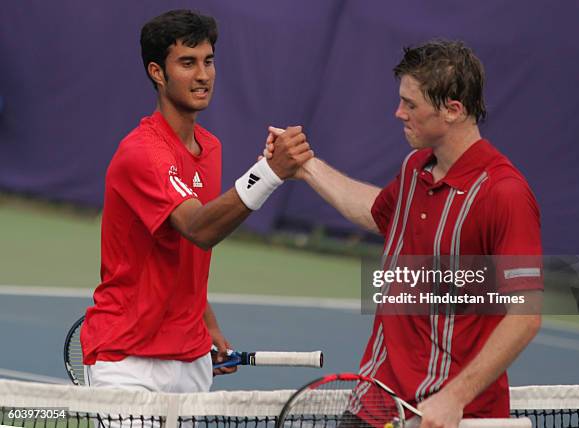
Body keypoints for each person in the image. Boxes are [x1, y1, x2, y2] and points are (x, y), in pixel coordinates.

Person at [266, 40, 542, 427]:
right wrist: (305, 167)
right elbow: (376, 211)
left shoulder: (504, 192)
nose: (398, 113)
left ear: (453, 109)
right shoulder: (415, 168)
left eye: (410, 104)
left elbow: (525, 316)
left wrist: (454, 398)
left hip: (448, 416)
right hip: (375, 404)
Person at [80, 9, 312, 394]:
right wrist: (268, 173)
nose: (203, 75)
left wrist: (205, 321)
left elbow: (185, 250)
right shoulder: (141, 152)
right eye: (187, 63)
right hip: (127, 361)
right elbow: (199, 228)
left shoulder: (211, 148)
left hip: (190, 359)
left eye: (208, 61)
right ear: (158, 72)